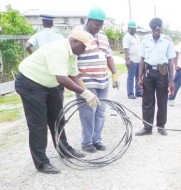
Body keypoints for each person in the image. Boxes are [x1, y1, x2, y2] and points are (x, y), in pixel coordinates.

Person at [15, 29, 100, 174]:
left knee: (58, 119)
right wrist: (84, 93)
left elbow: (74, 76)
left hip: (49, 83)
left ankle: (64, 149)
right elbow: (62, 78)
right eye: (84, 46)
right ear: (75, 42)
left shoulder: (73, 53)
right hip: (31, 82)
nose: (85, 50)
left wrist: (87, 92)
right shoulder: (58, 49)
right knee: (38, 124)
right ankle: (41, 162)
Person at [75, 7, 119, 153]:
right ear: (89, 21)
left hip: (102, 81)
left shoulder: (103, 35)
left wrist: (114, 74)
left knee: (100, 112)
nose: (99, 27)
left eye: (101, 25)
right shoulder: (78, 33)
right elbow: (72, 58)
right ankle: (87, 142)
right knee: (88, 113)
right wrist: (79, 84)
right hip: (86, 81)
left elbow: (108, 56)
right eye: (96, 24)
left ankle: (97, 140)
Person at [135, 18, 176, 136]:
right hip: (148, 73)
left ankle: (161, 126)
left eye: (158, 28)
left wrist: (171, 80)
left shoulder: (167, 41)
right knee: (147, 101)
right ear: (151, 29)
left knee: (162, 101)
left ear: (161, 28)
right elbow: (142, 60)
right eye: (154, 29)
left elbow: (171, 61)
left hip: (162, 72)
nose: (156, 31)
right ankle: (147, 128)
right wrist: (140, 78)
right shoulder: (145, 41)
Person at [25, 14, 66, 101]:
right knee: (58, 95)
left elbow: (27, 45)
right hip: (57, 67)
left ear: (43, 23)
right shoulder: (59, 36)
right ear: (52, 23)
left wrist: (34, 55)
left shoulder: (38, 35)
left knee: (43, 94)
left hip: (43, 67)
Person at [122, 20, 143, 99]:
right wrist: (127, 60)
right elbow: (126, 49)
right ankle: (130, 93)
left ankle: (138, 92)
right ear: (128, 28)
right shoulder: (126, 37)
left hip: (138, 60)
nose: (133, 30)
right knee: (131, 78)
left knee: (139, 77)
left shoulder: (136, 36)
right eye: (132, 28)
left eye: (134, 28)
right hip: (132, 60)